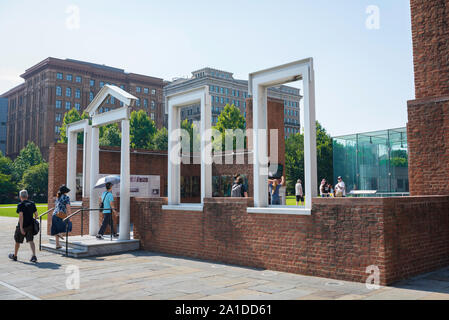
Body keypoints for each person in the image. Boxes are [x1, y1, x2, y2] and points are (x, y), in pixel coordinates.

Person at [8, 190, 38, 263]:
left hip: (22, 226)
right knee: (31, 241)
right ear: (27, 196)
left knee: (17, 241)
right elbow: (36, 214)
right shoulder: (32, 203)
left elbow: (21, 217)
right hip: (30, 225)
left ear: (20, 197)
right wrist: (33, 219)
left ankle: (15, 256)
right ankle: (34, 256)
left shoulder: (20, 205)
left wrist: (21, 228)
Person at [51, 185, 72, 249]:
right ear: (65, 191)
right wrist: (70, 216)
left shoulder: (58, 197)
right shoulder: (66, 197)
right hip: (61, 214)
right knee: (66, 226)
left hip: (54, 214)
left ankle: (57, 245)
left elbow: (56, 206)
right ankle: (60, 234)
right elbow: (68, 207)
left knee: (56, 230)